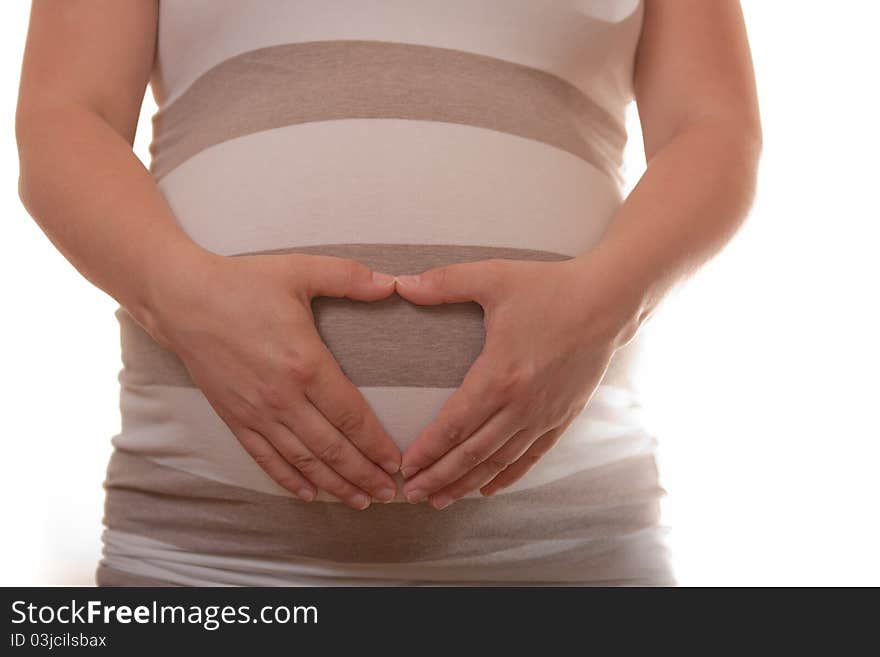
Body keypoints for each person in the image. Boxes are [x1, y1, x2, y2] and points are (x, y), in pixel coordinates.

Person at [15, 0, 761, 586]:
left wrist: (605, 300)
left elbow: (715, 126)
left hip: (577, 549)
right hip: (207, 564)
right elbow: (63, 116)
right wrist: (181, 295)